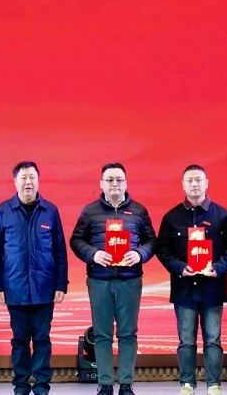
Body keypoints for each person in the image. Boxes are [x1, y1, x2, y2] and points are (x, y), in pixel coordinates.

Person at [70, 162, 157, 395]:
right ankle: (105, 383)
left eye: (119, 179)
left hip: (130, 280)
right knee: (102, 334)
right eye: (109, 180)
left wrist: (139, 254)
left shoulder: (139, 211)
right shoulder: (90, 211)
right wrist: (93, 254)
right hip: (99, 280)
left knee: (128, 333)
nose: (114, 184)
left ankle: (126, 383)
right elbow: (76, 241)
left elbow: (151, 241)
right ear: (101, 184)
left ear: (126, 183)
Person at [155, 165, 227, 395]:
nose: (194, 184)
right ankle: (187, 384)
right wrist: (179, 268)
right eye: (190, 180)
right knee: (186, 340)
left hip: (212, 288)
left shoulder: (221, 215)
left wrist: (219, 267)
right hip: (184, 288)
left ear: (207, 183)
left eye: (198, 180)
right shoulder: (171, 217)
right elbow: (162, 249)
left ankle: (214, 384)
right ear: (183, 185)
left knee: (213, 339)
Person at [0, 161, 69, 395]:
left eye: (32, 177)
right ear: (15, 182)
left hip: (45, 288)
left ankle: (42, 387)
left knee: (42, 340)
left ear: (38, 180)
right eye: (23, 178)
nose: (28, 182)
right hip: (15, 289)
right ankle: (21, 386)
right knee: (19, 341)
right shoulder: (3, 211)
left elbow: (60, 251)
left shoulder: (50, 211)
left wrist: (60, 284)